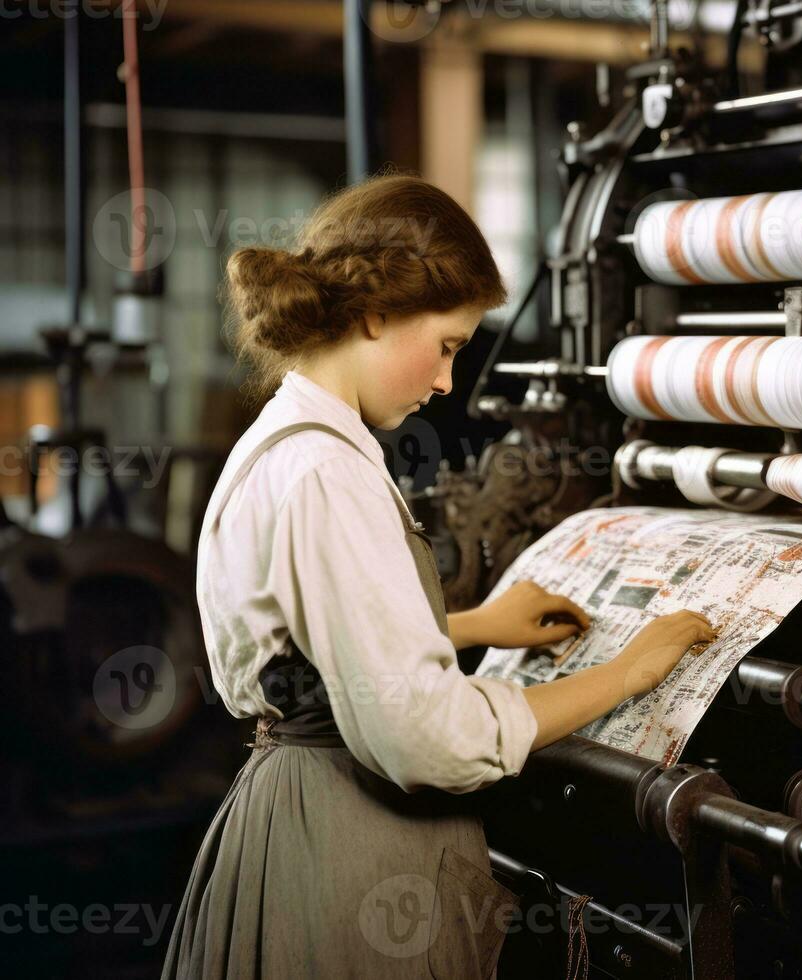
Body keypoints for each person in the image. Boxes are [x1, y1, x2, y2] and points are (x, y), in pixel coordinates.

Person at [162, 172, 716, 979]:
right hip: (346, 846)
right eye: (448, 345)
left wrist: (472, 624)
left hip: (291, 816)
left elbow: (302, 647)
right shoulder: (327, 473)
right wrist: (627, 671)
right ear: (376, 311)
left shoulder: (285, 438)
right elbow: (430, 739)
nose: (447, 382)